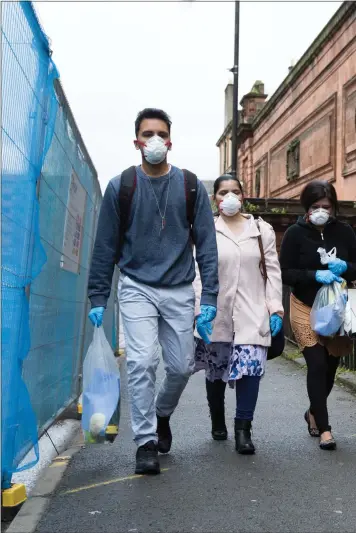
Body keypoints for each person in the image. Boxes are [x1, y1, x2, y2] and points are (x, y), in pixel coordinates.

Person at [87, 108, 219, 475]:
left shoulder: (191, 186)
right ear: (137, 142)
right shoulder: (121, 186)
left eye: (161, 133)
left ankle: (162, 415)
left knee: (181, 366)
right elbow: (105, 247)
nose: (155, 140)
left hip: (179, 289)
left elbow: (207, 246)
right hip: (136, 286)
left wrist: (209, 298)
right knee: (141, 361)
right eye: (148, 134)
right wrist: (98, 295)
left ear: (171, 141)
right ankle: (145, 441)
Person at [193, 174, 283, 454]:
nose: (229, 197)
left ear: (243, 196)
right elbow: (197, 273)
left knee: (251, 369)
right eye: (222, 192)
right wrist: (199, 310)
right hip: (216, 312)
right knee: (216, 371)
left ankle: (243, 429)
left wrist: (275, 308)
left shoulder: (261, 229)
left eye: (234, 191)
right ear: (214, 198)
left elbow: (273, 272)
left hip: (252, 310)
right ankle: (217, 418)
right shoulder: (206, 229)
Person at [280, 180, 356, 450]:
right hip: (304, 306)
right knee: (317, 365)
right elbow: (286, 272)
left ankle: (313, 411)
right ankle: (325, 429)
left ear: (334, 207)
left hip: (335, 310)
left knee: (331, 369)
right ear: (307, 208)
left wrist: (346, 266)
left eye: (326, 206)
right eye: (315, 206)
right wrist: (314, 274)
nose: (321, 211)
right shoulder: (294, 234)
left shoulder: (345, 232)